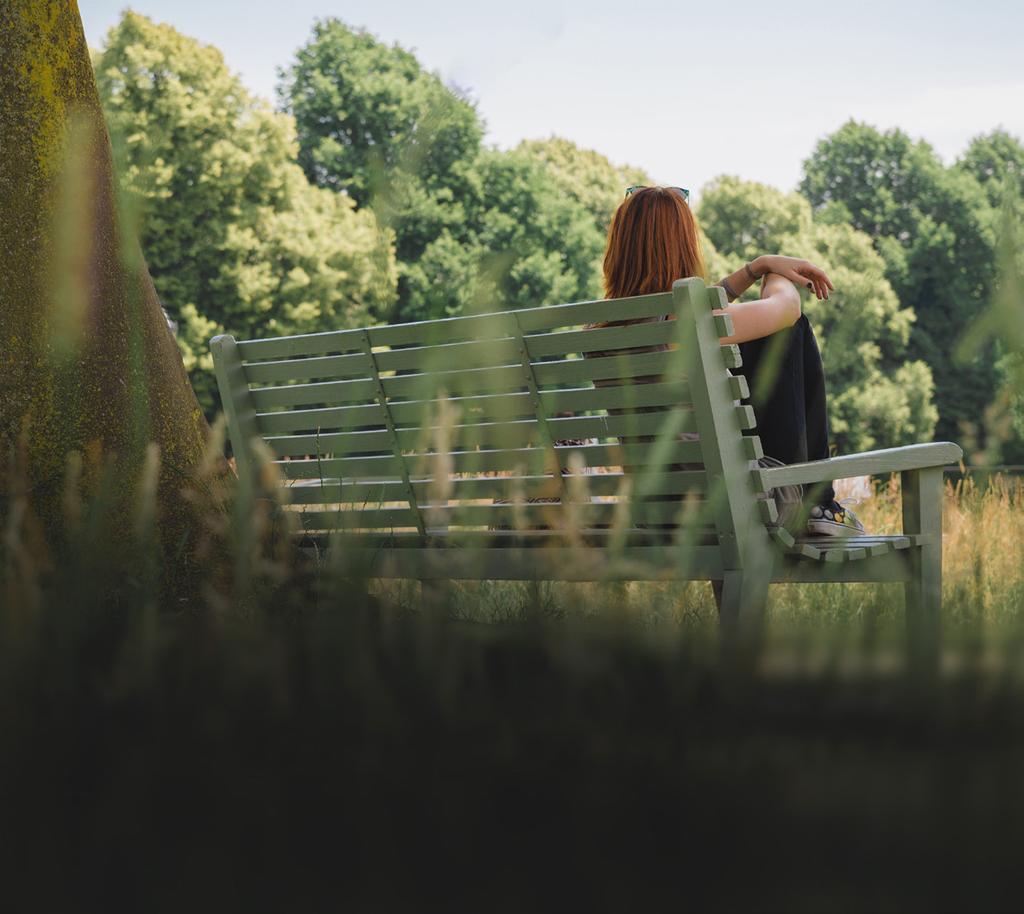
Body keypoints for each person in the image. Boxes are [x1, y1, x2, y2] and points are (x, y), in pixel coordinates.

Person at [597, 185, 864, 537]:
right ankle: (819, 501)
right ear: (682, 245)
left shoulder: (601, 330)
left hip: (656, 510)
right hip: (736, 505)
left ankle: (818, 504)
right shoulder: (690, 324)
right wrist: (775, 275)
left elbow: (702, 310)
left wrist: (754, 269)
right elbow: (787, 310)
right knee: (788, 331)